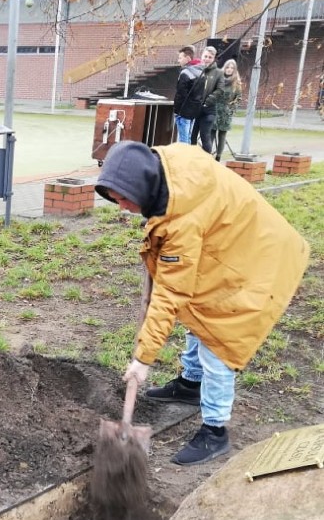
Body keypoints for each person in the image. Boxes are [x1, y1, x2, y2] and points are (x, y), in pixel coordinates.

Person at [94, 140, 309, 466]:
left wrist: (143, 359)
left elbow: (169, 294)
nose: (122, 207)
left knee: (218, 340)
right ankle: (190, 385)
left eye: (123, 199)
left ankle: (215, 431)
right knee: (197, 309)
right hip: (231, 245)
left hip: (258, 263)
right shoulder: (168, 166)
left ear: (142, 186)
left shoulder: (183, 220)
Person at [189, 45, 220, 153]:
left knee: (204, 136)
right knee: (191, 137)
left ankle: (206, 161)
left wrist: (207, 102)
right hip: (195, 109)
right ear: (202, 56)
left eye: (210, 57)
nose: (207, 59)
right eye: (205, 56)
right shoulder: (196, 70)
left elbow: (220, 90)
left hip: (208, 110)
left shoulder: (218, 73)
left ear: (214, 58)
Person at [212, 58, 242, 162]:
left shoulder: (236, 83)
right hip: (215, 110)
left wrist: (231, 110)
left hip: (225, 112)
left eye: (232, 68)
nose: (229, 69)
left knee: (222, 135)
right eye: (228, 67)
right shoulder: (218, 79)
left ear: (234, 70)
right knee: (211, 132)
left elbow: (238, 99)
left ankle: (218, 156)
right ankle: (207, 155)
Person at [173, 46, 203, 145]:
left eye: (180, 58)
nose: (178, 60)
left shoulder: (185, 73)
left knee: (183, 139)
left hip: (182, 111)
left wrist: (177, 111)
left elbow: (181, 93)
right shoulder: (200, 72)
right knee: (189, 137)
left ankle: (182, 159)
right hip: (193, 110)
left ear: (188, 58)